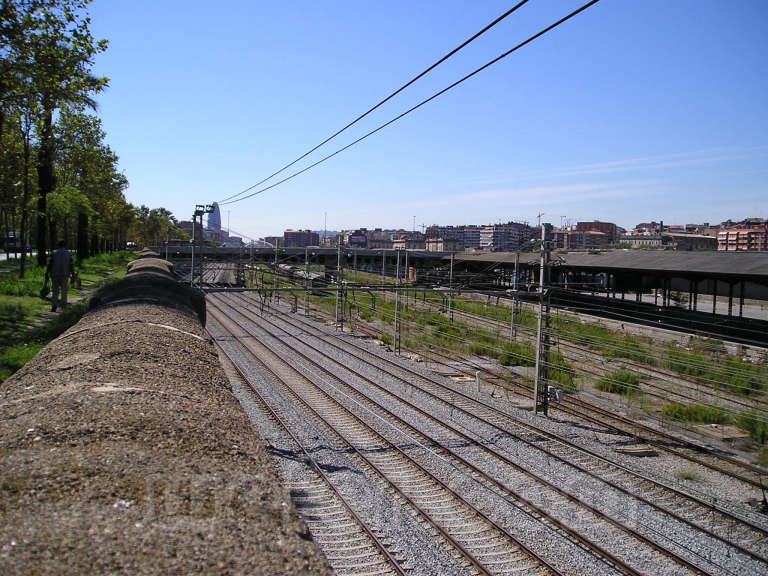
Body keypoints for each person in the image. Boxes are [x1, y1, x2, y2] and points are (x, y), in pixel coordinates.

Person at [46, 241, 74, 312]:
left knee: (55, 290)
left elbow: (50, 263)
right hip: (65, 274)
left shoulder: (54, 253)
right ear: (65, 245)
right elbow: (71, 264)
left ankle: (54, 306)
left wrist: (47, 272)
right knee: (64, 290)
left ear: (58, 245)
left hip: (54, 274)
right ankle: (63, 306)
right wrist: (73, 273)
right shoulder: (68, 253)